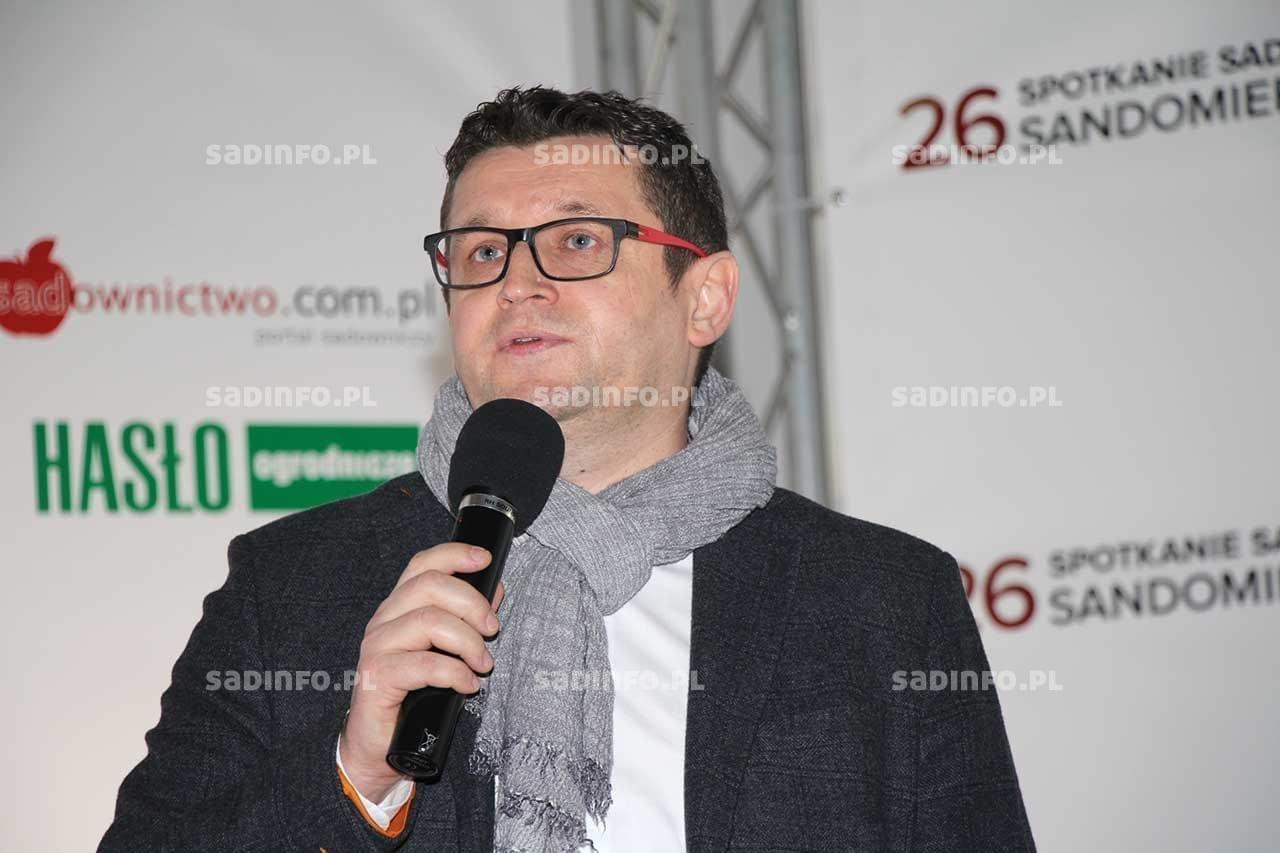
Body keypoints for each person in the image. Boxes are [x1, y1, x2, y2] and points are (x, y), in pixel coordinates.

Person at [100, 86, 1036, 853]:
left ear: (705, 297)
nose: (517, 283)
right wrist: (356, 771)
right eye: (481, 251)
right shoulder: (295, 583)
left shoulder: (880, 598)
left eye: (579, 240)